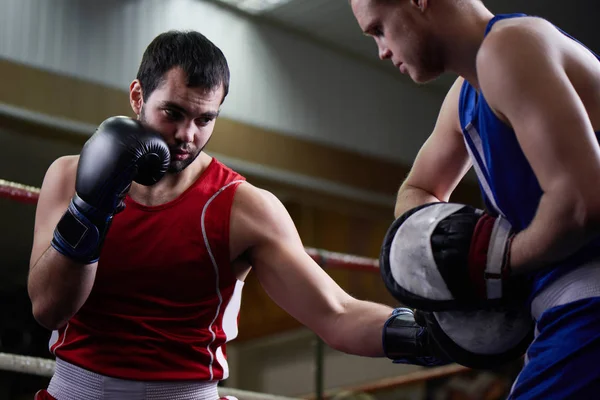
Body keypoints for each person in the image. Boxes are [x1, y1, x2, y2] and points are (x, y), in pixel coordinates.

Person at [27, 30, 451, 400]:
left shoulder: (244, 208)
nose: (187, 135)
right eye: (173, 113)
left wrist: (431, 333)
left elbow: (337, 314)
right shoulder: (69, 176)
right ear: (138, 95)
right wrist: (91, 208)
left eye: (205, 118)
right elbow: (49, 309)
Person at [350, 0, 600, 398]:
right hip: (561, 308)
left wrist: (492, 262)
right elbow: (418, 191)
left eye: (379, 29)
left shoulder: (512, 46)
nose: (382, 50)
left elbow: (582, 203)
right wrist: (441, 252)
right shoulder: (467, 91)